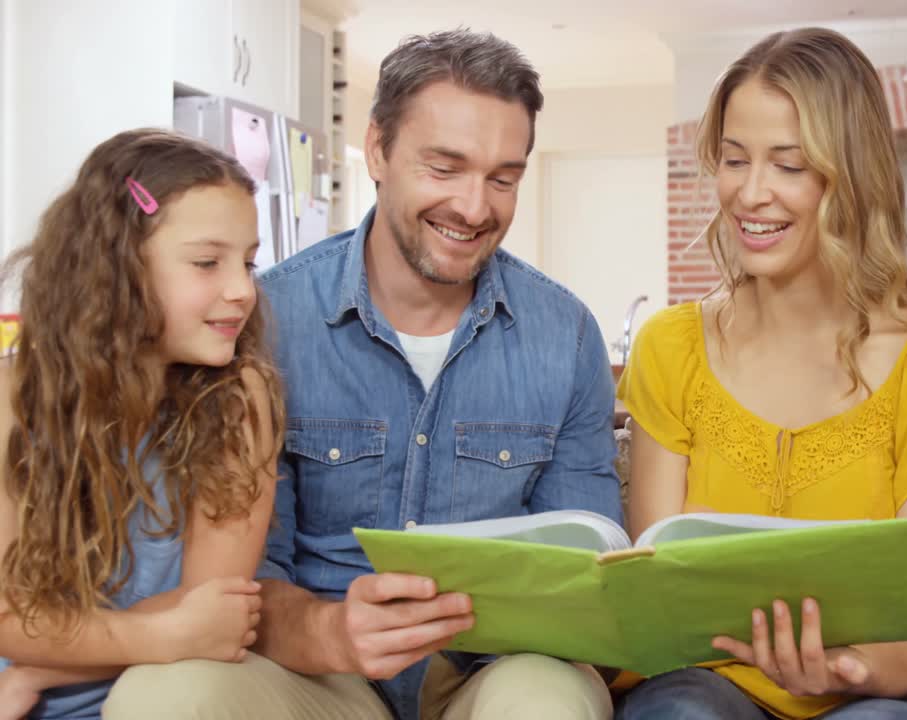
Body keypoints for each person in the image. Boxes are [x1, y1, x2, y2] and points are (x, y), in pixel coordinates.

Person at [104, 29, 621, 720]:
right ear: (377, 150)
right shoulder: (262, 321)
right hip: (317, 676)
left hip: (490, 675)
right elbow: (239, 582)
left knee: (540, 700)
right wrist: (332, 633)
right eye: (444, 168)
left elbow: (593, 577)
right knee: (161, 696)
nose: (474, 207)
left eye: (503, 178)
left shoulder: (568, 335)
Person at [615, 27, 907, 720]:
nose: (751, 194)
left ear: (850, 175)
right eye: (734, 160)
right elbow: (658, 614)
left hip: (875, 694)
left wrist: (842, 667)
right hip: (703, 686)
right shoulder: (669, 347)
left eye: (789, 165)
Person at [0, 128, 282, 719]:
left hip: (152, 695)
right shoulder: (11, 400)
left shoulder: (239, 400)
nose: (242, 290)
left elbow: (215, 614)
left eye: (250, 263)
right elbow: (10, 621)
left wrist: (43, 664)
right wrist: (171, 631)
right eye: (208, 262)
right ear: (117, 267)